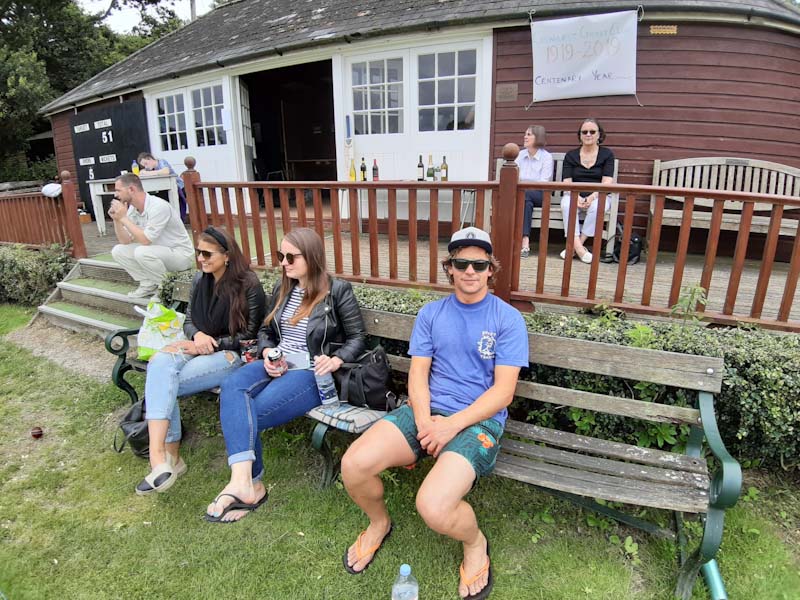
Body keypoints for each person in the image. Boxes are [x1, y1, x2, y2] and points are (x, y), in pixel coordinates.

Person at [341, 227, 529, 600]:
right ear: (450, 268)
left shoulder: (507, 320)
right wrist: (426, 423)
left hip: (478, 421)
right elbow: (419, 376)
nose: (470, 271)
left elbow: (503, 392)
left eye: (479, 264)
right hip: (427, 411)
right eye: (462, 263)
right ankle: (379, 523)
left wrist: (450, 427)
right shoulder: (431, 314)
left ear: (491, 269)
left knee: (433, 507)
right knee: (354, 464)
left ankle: (475, 542)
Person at [205, 227, 367, 523]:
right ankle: (246, 484)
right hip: (277, 363)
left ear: (312, 257)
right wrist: (267, 353)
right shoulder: (285, 290)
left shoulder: (337, 290)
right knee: (232, 385)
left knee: (251, 411)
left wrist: (335, 360)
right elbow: (266, 332)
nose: (284, 262)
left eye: (291, 256)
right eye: (281, 255)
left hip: (311, 372)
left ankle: (249, 484)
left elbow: (358, 338)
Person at [135, 226, 266, 495]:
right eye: (198, 252)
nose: (201, 258)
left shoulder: (249, 285)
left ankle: (169, 458)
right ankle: (161, 458)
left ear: (227, 255)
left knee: (161, 381)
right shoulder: (200, 280)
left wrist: (210, 343)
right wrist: (198, 336)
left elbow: (251, 335)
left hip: (230, 355)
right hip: (199, 346)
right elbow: (190, 321)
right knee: (160, 364)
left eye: (207, 253)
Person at [109, 173, 194, 299]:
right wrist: (117, 220)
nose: (116, 195)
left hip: (181, 256)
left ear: (131, 189)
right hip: (156, 252)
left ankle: (165, 288)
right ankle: (148, 284)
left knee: (142, 251)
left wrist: (123, 218)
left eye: (118, 191)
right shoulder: (132, 209)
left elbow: (145, 240)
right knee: (118, 250)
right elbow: (125, 241)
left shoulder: (158, 206)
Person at [560, 118, 616, 264]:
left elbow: (607, 181)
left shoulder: (607, 154)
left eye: (592, 131)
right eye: (585, 132)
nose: (588, 134)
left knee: (598, 206)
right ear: (580, 135)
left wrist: (592, 197)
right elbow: (567, 182)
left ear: (599, 135)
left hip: (599, 194)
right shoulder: (571, 155)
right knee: (567, 205)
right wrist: (576, 196)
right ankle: (580, 249)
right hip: (573, 193)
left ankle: (574, 247)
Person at [515, 125, 554, 258]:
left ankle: (523, 241)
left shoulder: (546, 157)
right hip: (522, 195)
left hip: (540, 194)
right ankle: (524, 241)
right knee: (525, 201)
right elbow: (514, 176)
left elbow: (543, 182)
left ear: (538, 137)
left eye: (529, 134)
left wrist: (524, 186)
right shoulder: (520, 155)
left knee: (525, 196)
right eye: (525, 134)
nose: (525, 136)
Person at [137, 151, 188, 221]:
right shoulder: (150, 169)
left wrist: (149, 173)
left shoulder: (161, 162)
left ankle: (176, 218)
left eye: (146, 163)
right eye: (144, 165)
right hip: (163, 189)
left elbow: (166, 171)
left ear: (150, 159)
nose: (146, 166)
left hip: (178, 187)